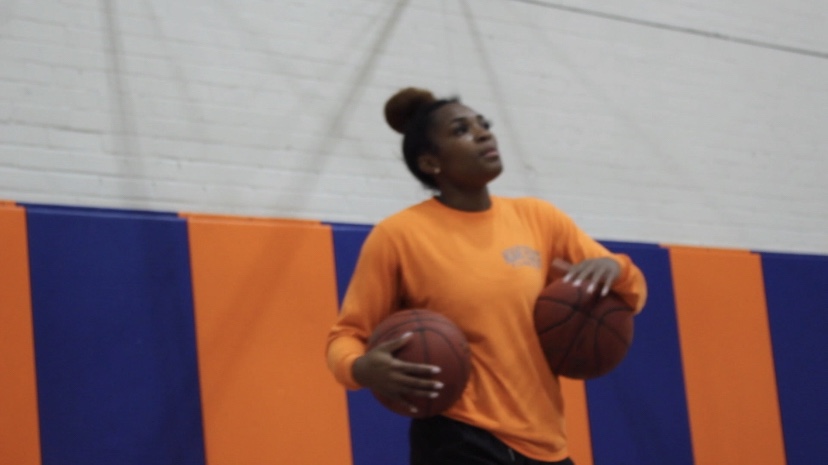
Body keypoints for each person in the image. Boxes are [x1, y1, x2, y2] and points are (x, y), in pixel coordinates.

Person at [326, 87, 647, 465]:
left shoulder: (539, 218)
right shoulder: (398, 235)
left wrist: (617, 268)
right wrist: (360, 368)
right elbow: (346, 336)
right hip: (457, 436)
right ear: (431, 163)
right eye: (461, 130)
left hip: (544, 438)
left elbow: (633, 293)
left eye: (484, 124)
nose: (482, 134)